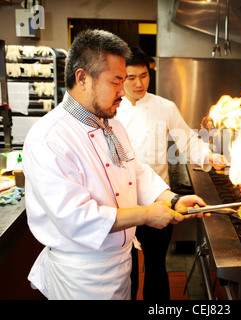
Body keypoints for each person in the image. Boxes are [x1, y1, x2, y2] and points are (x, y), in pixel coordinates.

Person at [22, 29, 206, 300]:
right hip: (82, 277)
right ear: (83, 78)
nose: (125, 90)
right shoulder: (49, 137)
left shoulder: (112, 123)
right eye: (117, 81)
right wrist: (145, 214)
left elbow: (136, 171)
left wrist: (172, 198)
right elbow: (76, 218)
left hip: (120, 264)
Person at [117, 46, 227, 300]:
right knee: (127, 267)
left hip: (159, 198)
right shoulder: (111, 109)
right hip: (123, 202)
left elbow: (187, 140)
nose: (138, 83)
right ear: (121, 77)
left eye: (143, 75)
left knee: (156, 264)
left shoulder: (164, 107)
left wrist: (208, 156)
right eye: (130, 78)